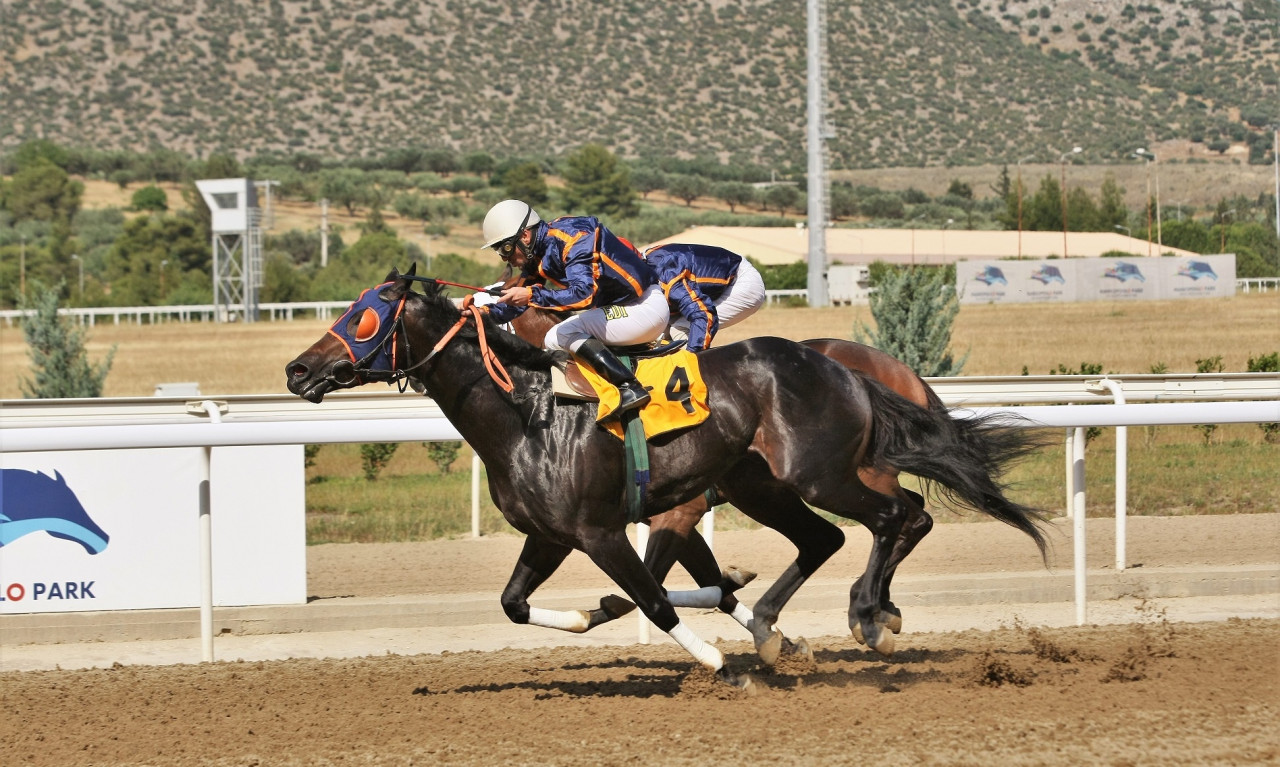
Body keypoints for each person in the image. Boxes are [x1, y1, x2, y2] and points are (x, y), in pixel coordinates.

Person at [479, 199, 669, 417]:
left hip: (644, 306)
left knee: (560, 334)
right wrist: (484, 314)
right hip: (622, 310)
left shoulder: (574, 237)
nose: (506, 259)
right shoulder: (536, 253)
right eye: (500, 252)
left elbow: (584, 294)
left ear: (524, 236)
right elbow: (518, 303)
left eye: (506, 249)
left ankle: (629, 386)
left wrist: (531, 294)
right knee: (556, 335)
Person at [644, 243, 767, 352]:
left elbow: (703, 315)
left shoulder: (667, 277)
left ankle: (709, 374)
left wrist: (693, 356)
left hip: (743, 283)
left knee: (679, 329)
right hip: (726, 275)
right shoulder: (645, 263)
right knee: (660, 333)